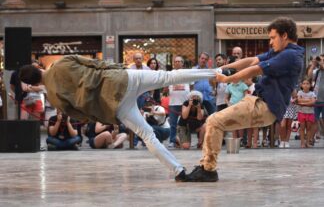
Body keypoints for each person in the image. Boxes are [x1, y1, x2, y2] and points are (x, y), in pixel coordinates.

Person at [19, 54, 218, 181]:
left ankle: (179, 172)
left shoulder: (54, 97)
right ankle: (216, 72)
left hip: (113, 104)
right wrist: (119, 69)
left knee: (148, 136)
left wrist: (107, 114)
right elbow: (96, 64)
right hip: (121, 80)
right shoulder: (61, 62)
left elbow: (82, 115)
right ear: (37, 69)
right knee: (168, 77)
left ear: (31, 82)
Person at [185, 17, 305, 182]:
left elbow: (255, 69)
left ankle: (208, 169)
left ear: (284, 35)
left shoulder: (291, 55)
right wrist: (221, 68)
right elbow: (252, 60)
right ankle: (207, 167)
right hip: (256, 101)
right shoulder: (280, 52)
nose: (270, 42)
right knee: (214, 121)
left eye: (272, 37)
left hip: (265, 107)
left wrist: (226, 79)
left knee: (214, 120)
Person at [166, 56, 191, 148]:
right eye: (175, 61)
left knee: (186, 123)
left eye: (179, 61)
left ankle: (186, 140)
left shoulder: (187, 73)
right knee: (173, 124)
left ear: (182, 63)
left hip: (185, 102)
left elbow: (191, 86)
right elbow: (166, 87)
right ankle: (172, 141)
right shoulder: (170, 73)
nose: (177, 63)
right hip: (173, 102)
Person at [297, 77, 316, 148]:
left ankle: (307, 142)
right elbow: (298, 100)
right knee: (302, 128)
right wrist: (308, 100)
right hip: (301, 112)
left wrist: (303, 102)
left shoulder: (312, 93)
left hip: (310, 113)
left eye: (307, 83)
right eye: (304, 83)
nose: (305, 85)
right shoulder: (299, 92)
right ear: (301, 85)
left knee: (308, 128)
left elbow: (313, 102)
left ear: (310, 85)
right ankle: (302, 143)